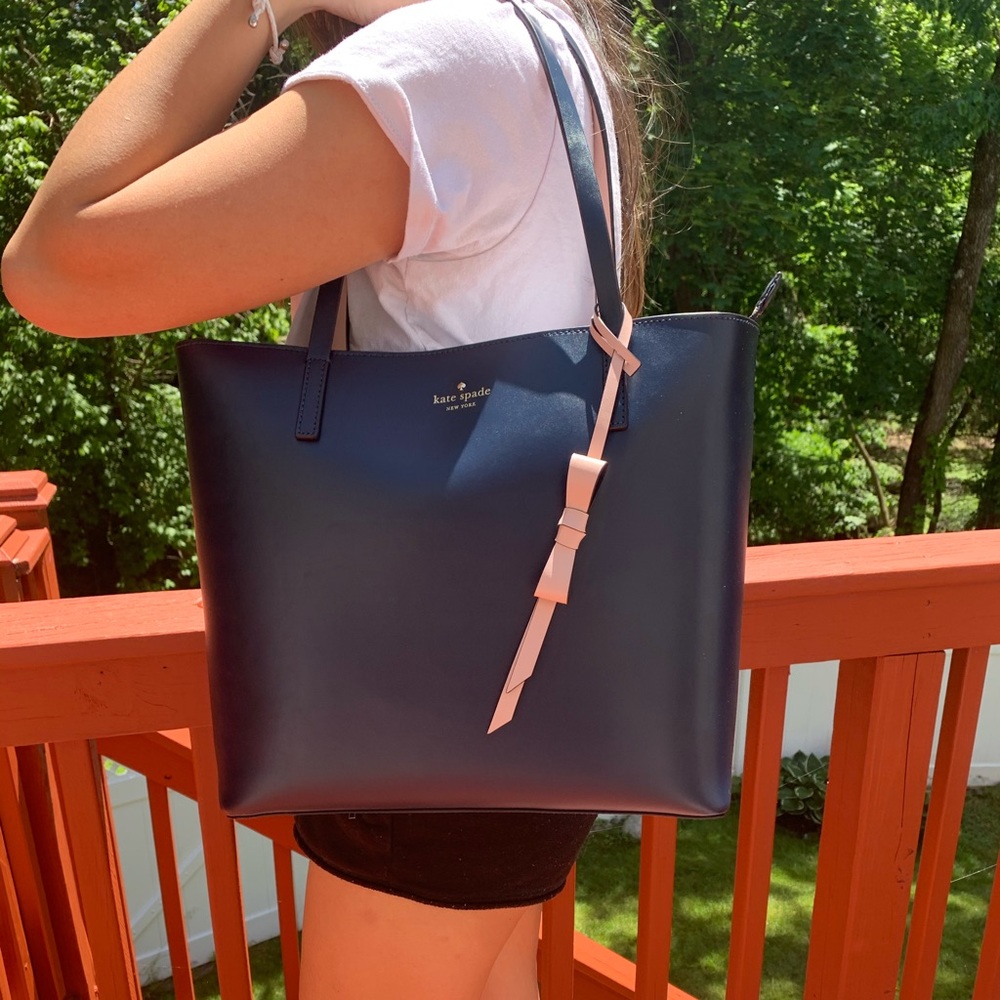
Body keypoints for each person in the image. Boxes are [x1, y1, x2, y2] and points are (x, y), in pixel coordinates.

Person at [2, 0, 653, 996]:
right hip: (537, 670)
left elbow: (54, 265)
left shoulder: (441, 61)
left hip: (426, 710)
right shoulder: (547, 42)